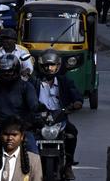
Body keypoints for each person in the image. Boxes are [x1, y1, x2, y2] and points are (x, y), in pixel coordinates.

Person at [32, 50, 82, 180]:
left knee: (72, 133)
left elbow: (74, 93)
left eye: (52, 65)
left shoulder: (64, 81)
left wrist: (77, 102)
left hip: (59, 117)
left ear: (58, 66)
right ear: (41, 66)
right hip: (38, 118)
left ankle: (68, 166)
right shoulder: (33, 82)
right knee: (25, 137)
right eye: (46, 65)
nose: (49, 68)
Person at [0, 116, 43, 181]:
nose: (10, 138)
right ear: (0, 135)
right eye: (6, 134)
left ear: (22, 137)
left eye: (14, 135)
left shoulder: (34, 161)